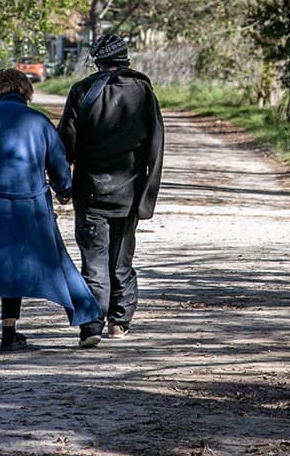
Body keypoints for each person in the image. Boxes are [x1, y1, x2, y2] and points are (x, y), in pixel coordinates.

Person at [0, 68, 101, 354]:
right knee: (57, 263)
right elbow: (59, 164)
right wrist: (64, 191)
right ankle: (85, 322)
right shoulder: (39, 122)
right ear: (26, 91)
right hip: (31, 207)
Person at [57, 34, 165, 348]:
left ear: (96, 59)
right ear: (125, 58)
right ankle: (119, 322)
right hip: (129, 192)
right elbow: (156, 145)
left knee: (93, 261)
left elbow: (65, 142)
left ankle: (91, 326)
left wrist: (63, 185)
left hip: (89, 191)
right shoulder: (143, 90)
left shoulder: (81, 91)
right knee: (121, 260)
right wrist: (147, 196)